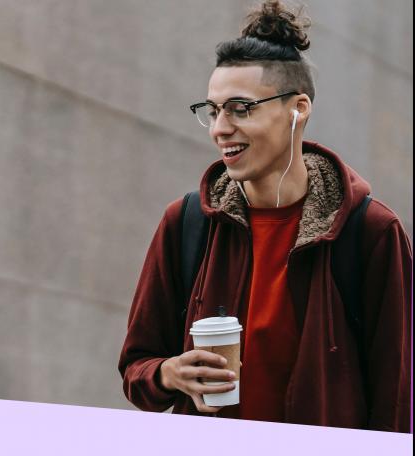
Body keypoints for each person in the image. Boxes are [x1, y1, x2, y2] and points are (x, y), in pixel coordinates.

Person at [117, 1, 411, 431]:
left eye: (241, 108)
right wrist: (168, 373)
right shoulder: (186, 223)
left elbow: (397, 402)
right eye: (213, 110)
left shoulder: (369, 232)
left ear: (299, 108)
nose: (220, 127)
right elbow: (136, 366)